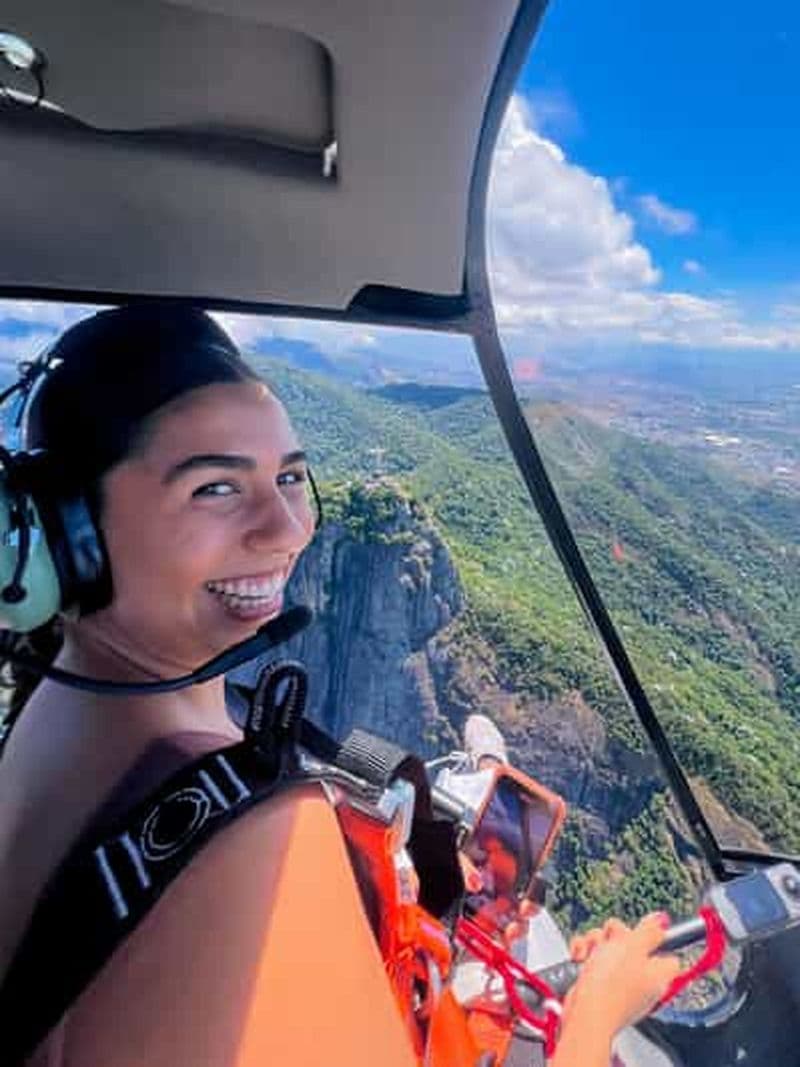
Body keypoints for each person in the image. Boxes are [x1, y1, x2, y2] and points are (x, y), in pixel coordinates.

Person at [0, 305, 679, 1067]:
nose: (288, 527)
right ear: (68, 533)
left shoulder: (50, 712)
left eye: (290, 475)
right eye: (215, 487)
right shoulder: (254, 847)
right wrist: (598, 1013)